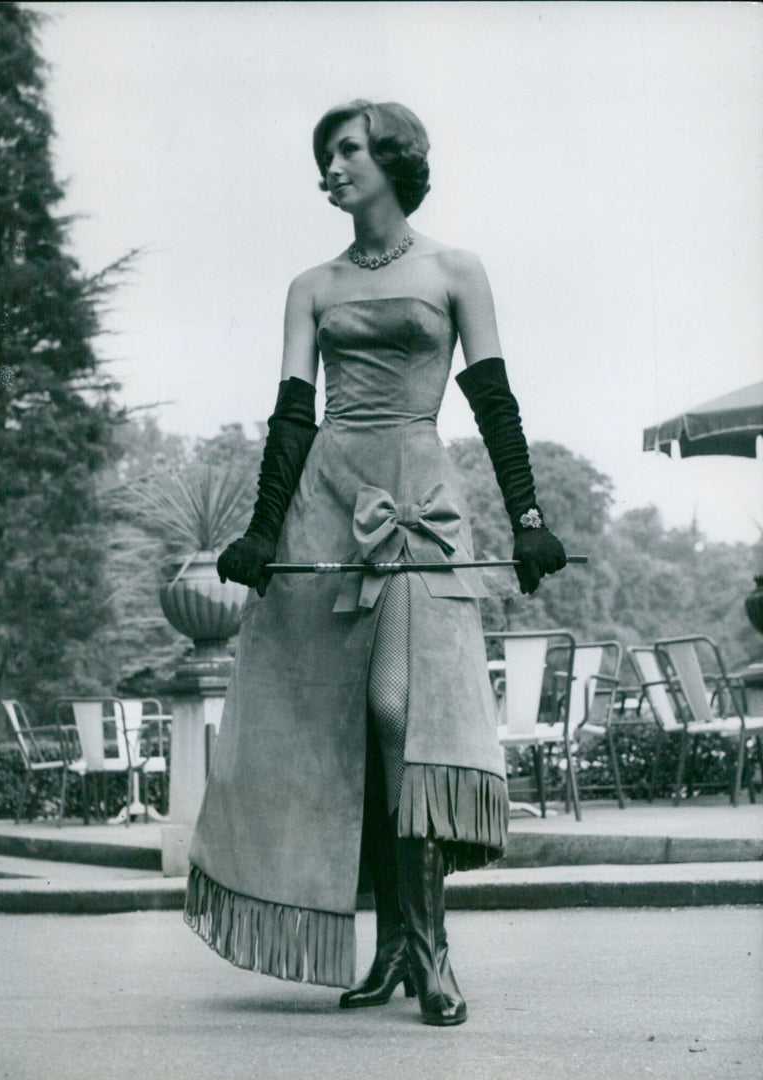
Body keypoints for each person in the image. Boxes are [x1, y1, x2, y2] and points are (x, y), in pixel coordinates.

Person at [185, 100, 566, 1027]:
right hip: (327, 501)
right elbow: (290, 415)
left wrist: (526, 515)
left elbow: (494, 400)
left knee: (405, 712)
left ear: (393, 157)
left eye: (348, 150)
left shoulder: (454, 269)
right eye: (325, 156)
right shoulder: (310, 285)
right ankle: (395, 941)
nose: (332, 168)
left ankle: (429, 946)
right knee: (349, 731)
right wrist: (261, 533)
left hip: (420, 499)